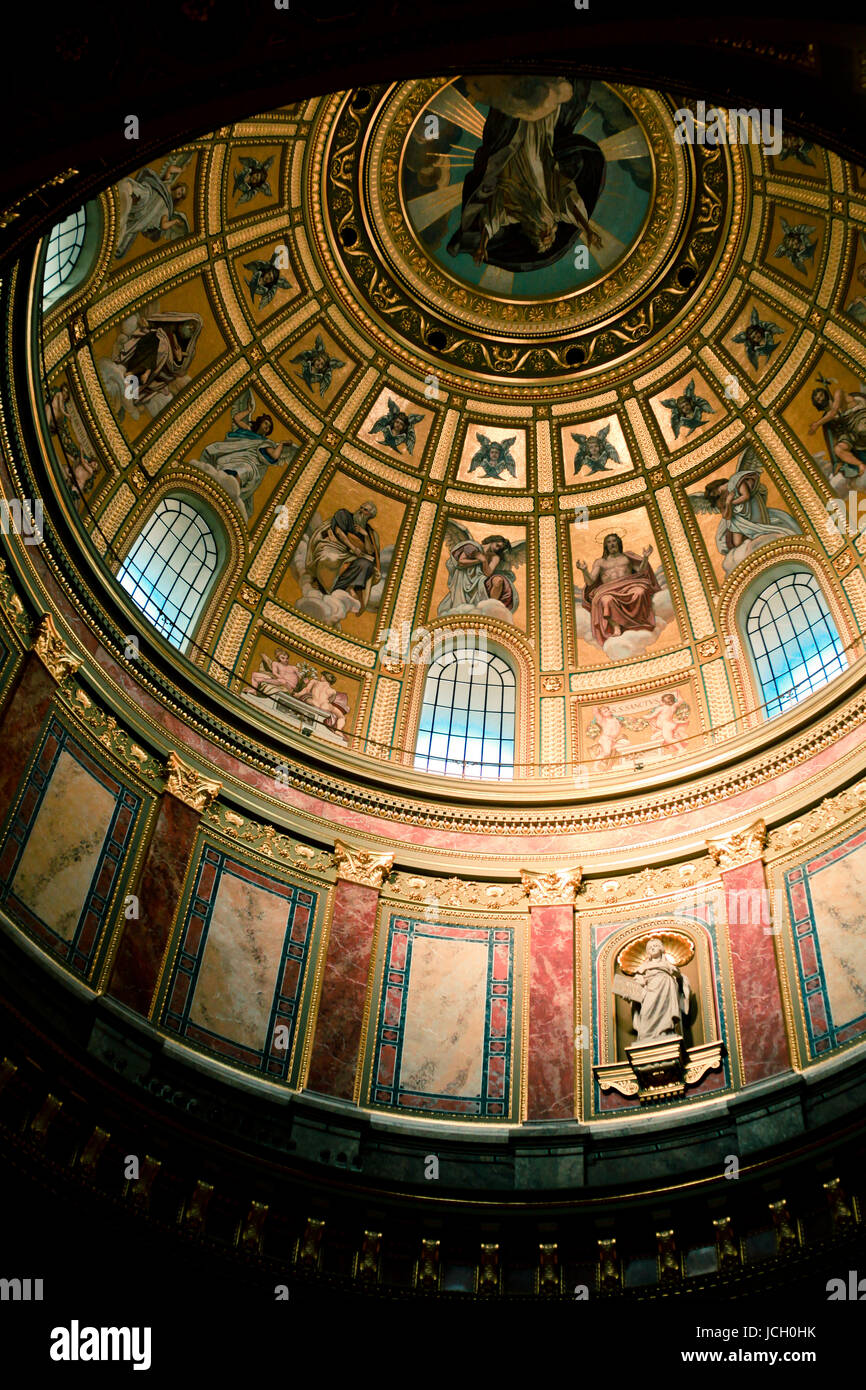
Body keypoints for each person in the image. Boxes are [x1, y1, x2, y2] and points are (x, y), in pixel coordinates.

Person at [446, 81, 604, 273]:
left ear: (533, 236)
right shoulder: (552, 210)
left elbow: (490, 221)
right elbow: (572, 207)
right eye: (550, 239)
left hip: (509, 154)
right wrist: (588, 230)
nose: (547, 236)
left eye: (542, 240)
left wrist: (481, 247)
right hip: (539, 148)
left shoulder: (514, 214)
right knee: (541, 111)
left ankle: (519, 83)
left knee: (514, 115)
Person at [577, 533, 659, 645]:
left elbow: (641, 571)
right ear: (605, 546)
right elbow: (590, 581)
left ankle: (637, 622)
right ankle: (616, 626)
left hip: (629, 585)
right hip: (609, 589)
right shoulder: (600, 562)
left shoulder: (627, 557)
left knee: (640, 592)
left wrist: (645, 557)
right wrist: (584, 570)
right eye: (608, 542)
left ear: (618, 543)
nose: (611, 544)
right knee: (606, 600)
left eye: (614, 541)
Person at [304, 502, 381, 611]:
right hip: (334, 546)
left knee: (366, 564)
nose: (361, 510)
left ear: (370, 515)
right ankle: (324, 585)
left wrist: (365, 535)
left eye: (365, 510)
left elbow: (369, 551)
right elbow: (339, 532)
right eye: (361, 507)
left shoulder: (369, 532)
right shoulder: (344, 514)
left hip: (353, 555)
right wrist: (353, 548)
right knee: (330, 557)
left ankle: (346, 587)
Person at [623, 937, 691, 1042]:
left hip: (666, 989)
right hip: (650, 991)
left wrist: (677, 975)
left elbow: (679, 979)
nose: (653, 948)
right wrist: (630, 993)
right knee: (646, 1012)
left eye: (655, 946)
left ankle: (665, 1032)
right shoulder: (643, 967)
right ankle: (646, 1035)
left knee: (665, 1012)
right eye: (650, 947)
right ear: (647, 952)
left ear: (661, 949)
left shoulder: (669, 965)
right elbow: (637, 982)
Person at [808, 384, 866, 478]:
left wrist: (817, 424)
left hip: (858, 418)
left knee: (862, 428)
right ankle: (860, 465)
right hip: (850, 433)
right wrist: (838, 461)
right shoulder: (827, 418)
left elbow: (834, 411)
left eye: (821, 395)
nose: (821, 400)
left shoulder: (838, 393)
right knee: (838, 449)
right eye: (818, 400)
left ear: (825, 394)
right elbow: (834, 437)